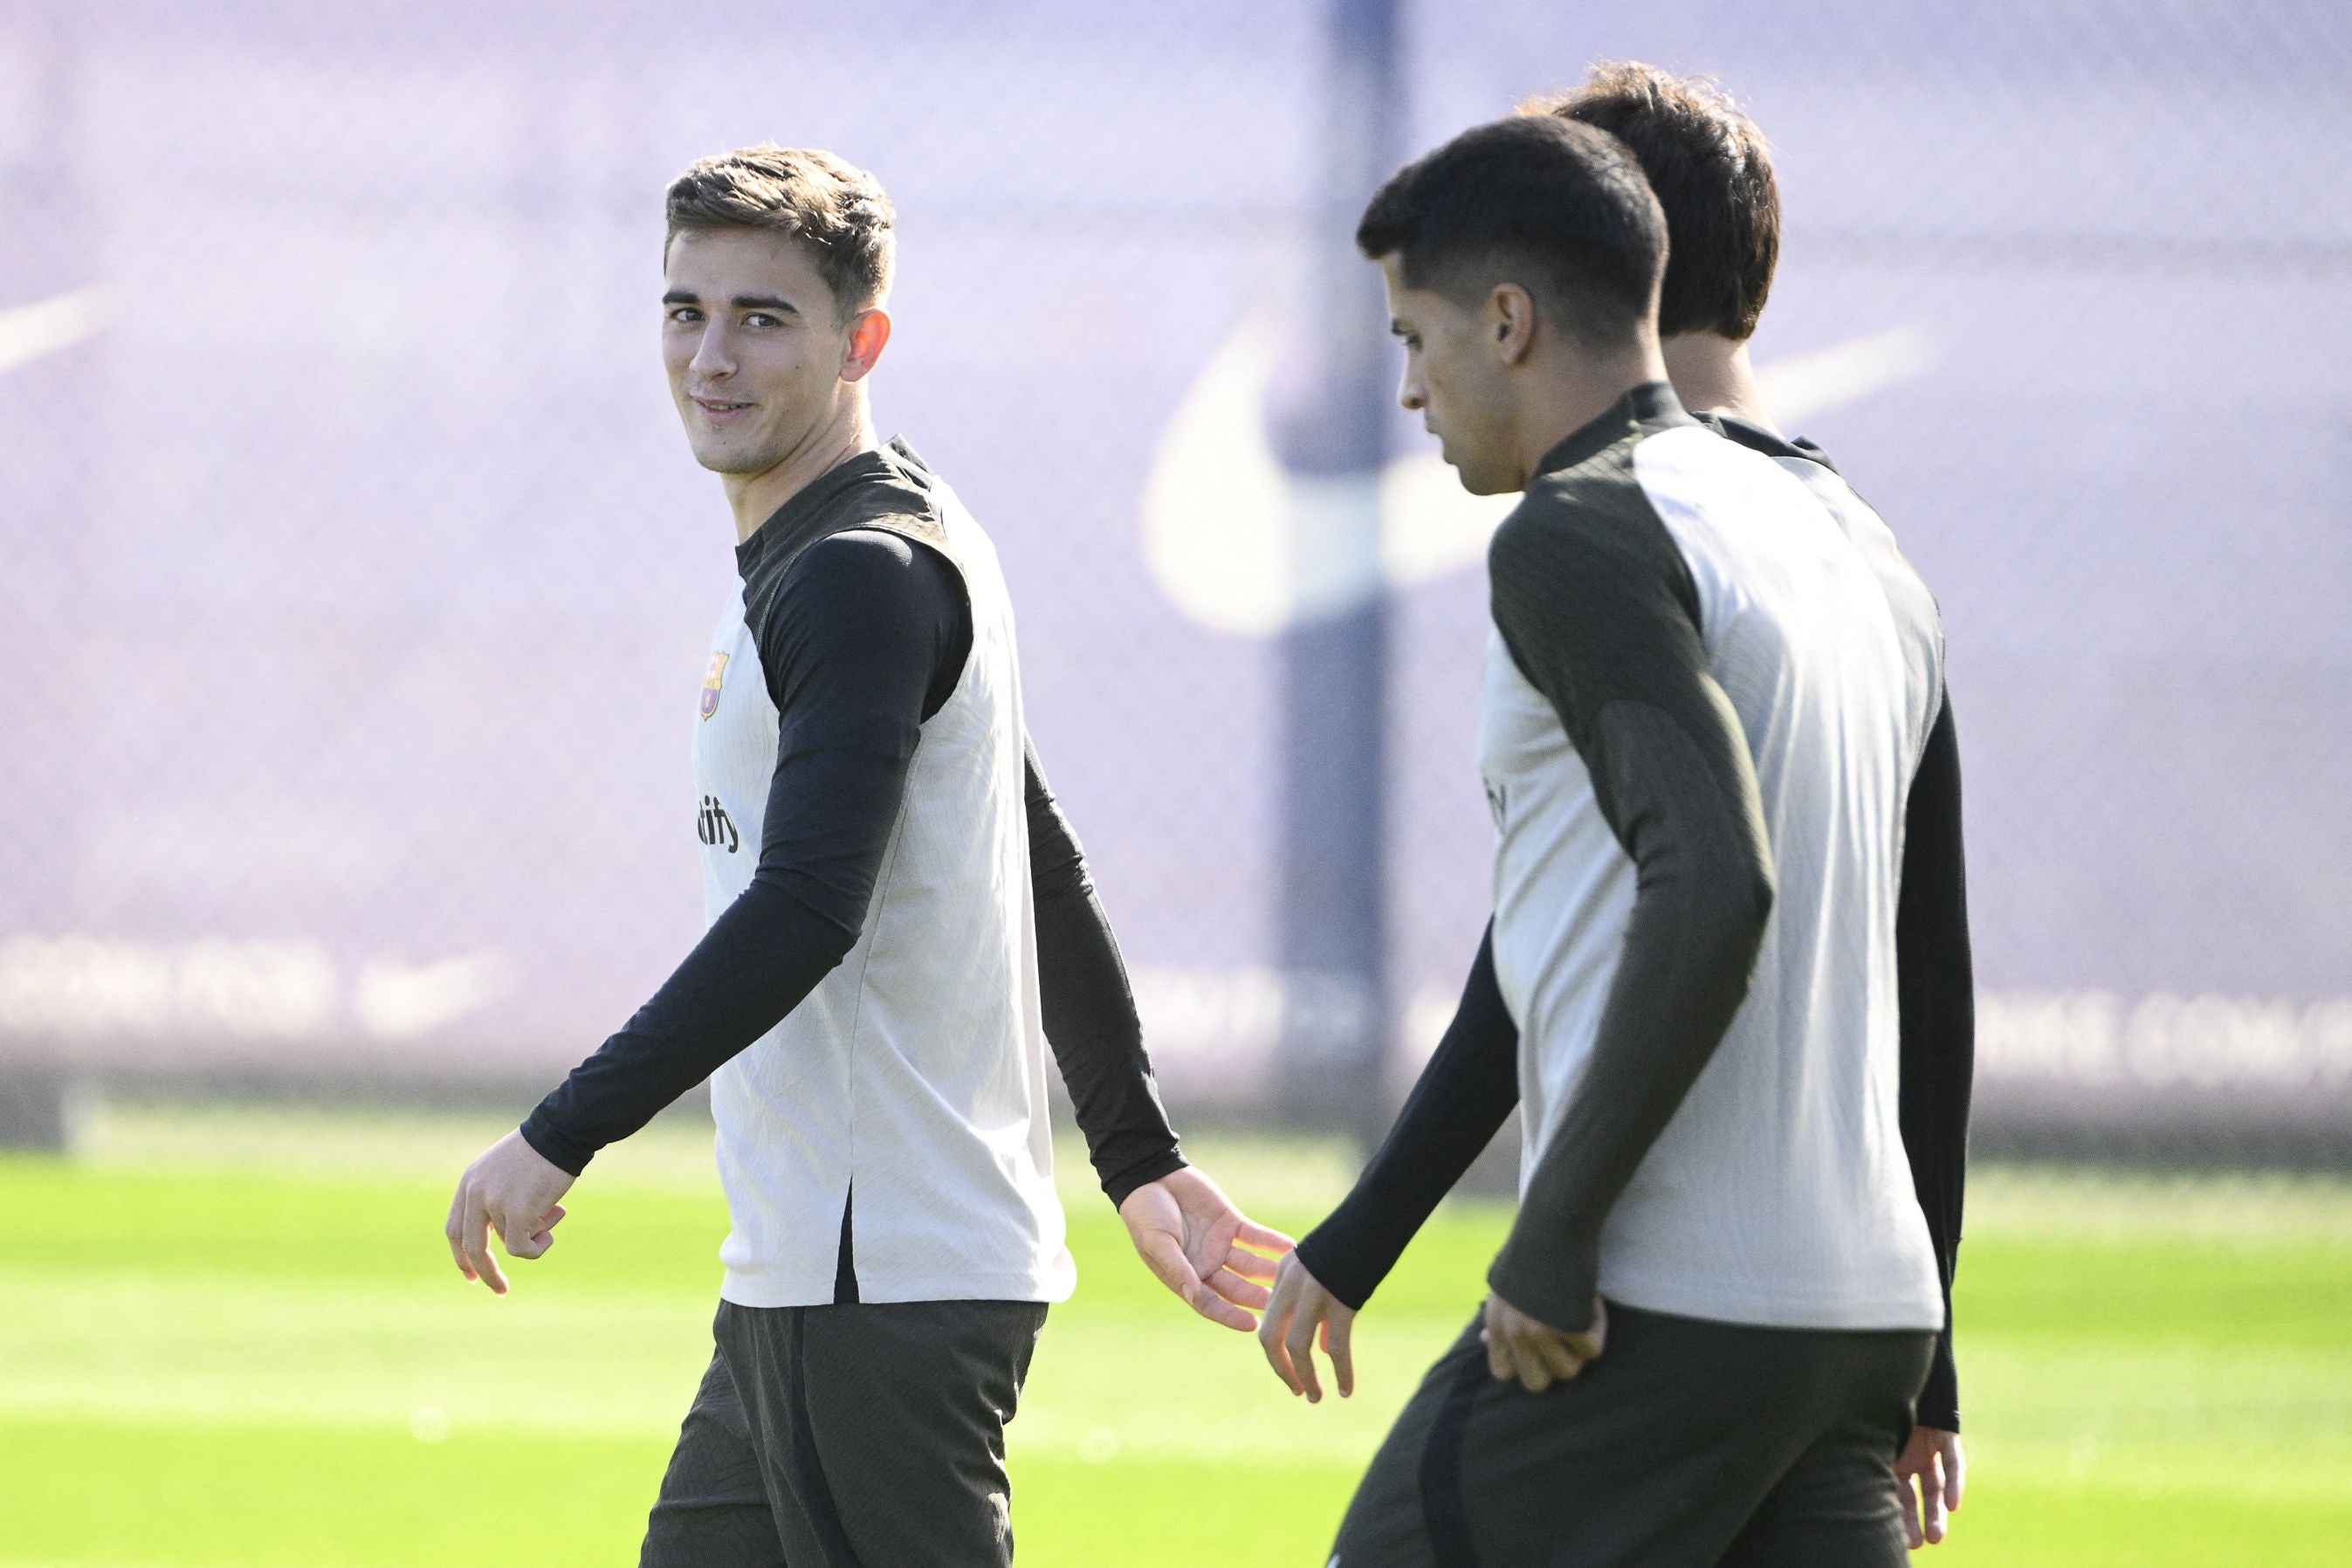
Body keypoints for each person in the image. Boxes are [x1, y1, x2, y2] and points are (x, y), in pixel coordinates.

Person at [442, 144, 1289, 1568]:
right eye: (683, 309)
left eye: (762, 318)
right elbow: (1035, 858)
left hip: (875, 1282)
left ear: (860, 341)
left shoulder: (859, 568)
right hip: (809, 1275)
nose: (711, 356)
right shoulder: (859, 535)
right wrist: (1138, 1156)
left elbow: (805, 910)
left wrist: (560, 1133)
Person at [1264, 65, 1980, 1557]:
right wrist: (1935, 1351)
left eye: (1413, 337)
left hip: (1664, 1300)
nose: (1405, 386)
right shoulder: (1860, 550)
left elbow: (1711, 885)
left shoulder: (1589, 529)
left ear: (1518, 307)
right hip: (1860, 1317)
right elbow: (1928, 982)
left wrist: (1552, 1231)